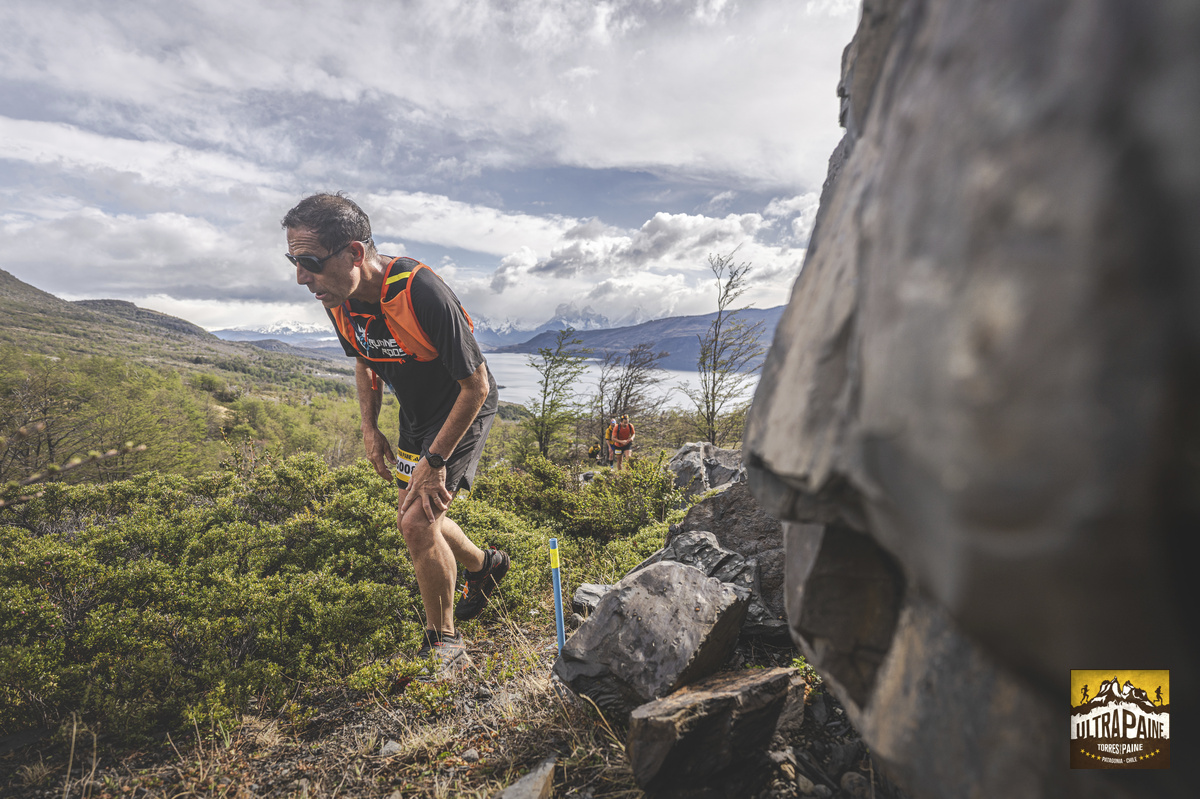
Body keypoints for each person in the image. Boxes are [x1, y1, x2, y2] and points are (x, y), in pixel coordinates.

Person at [282, 192, 509, 672]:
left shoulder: (419, 291)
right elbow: (365, 363)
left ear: (354, 253)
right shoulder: (337, 297)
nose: (301, 277)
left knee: (416, 523)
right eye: (294, 262)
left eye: (310, 262)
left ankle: (445, 643)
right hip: (417, 413)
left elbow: (477, 385)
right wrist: (369, 427)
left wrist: (436, 461)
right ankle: (485, 566)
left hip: (462, 406)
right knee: (414, 512)